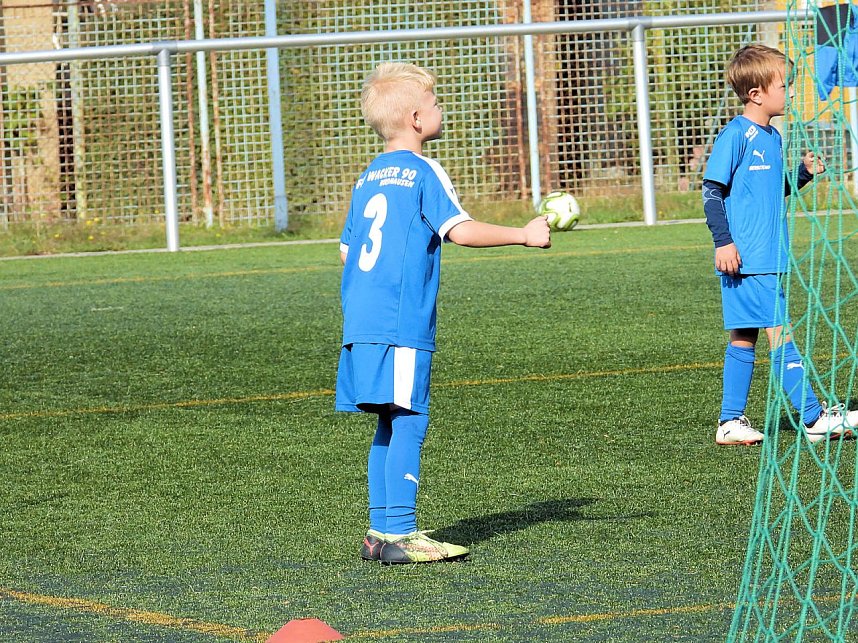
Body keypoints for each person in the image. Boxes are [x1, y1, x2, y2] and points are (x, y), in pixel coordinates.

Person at [336, 62, 551, 564]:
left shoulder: (368, 176)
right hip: (400, 318)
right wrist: (524, 234)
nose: (440, 110)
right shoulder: (423, 170)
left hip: (362, 316)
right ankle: (404, 535)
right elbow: (460, 229)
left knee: (387, 421)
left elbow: (347, 251)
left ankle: (380, 530)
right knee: (410, 417)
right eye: (434, 104)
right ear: (415, 117)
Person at [702, 44, 857, 446]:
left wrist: (802, 174)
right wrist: (724, 242)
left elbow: (772, 190)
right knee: (780, 332)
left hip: (764, 256)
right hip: (749, 257)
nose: (789, 93)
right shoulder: (736, 134)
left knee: (742, 337)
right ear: (756, 94)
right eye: (783, 85)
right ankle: (813, 417)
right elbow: (712, 191)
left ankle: (730, 422)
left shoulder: (772, 137)